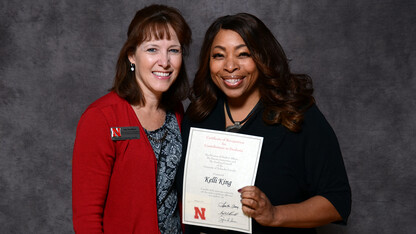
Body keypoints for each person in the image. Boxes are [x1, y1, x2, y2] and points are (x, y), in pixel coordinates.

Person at [177, 13, 351, 233]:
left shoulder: (296, 116)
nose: (230, 66)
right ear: (208, 62)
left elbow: (337, 202)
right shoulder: (198, 116)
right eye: (219, 55)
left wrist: (275, 215)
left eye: (244, 54)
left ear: (262, 58)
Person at [72, 4, 191, 234]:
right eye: (152, 49)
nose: (164, 62)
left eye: (173, 50)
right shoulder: (101, 118)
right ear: (131, 56)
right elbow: (87, 217)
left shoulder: (176, 111)